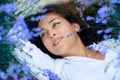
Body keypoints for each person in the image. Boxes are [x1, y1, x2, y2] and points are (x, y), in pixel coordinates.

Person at [13, 1, 120, 80]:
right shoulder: (56, 71)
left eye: (55, 24)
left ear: (75, 26)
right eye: (43, 34)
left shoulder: (111, 46)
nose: (51, 34)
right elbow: (13, 40)